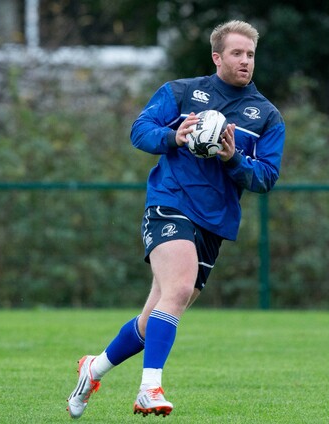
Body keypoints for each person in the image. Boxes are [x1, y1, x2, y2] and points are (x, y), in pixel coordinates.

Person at [66, 20, 285, 419]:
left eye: (251, 54)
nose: (245, 61)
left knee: (156, 314)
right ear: (217, 57)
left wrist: (233, 158)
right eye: (237, 53)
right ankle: (149, 388)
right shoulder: (182, 92)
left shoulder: (267, 116)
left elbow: (266, 177)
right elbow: (140, 131)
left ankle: (93, 369)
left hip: (215, 222)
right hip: (170, 201)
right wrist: (175, 137)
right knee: (180, 288)